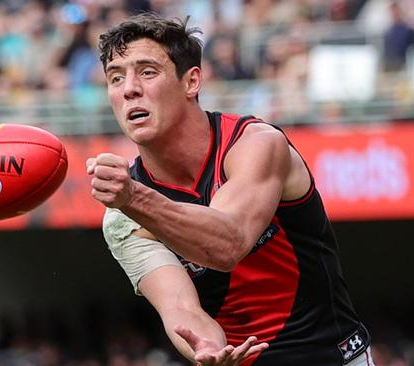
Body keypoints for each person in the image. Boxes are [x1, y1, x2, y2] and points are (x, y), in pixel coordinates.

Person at [86, 13, 374, 366]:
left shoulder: (256, 144)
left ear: (191, 82)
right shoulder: (121, 217)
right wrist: (205, 347)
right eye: (116, 78)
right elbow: (179, 306)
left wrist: (134, 197)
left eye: (147, 72)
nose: (129, 88)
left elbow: (229, 244)